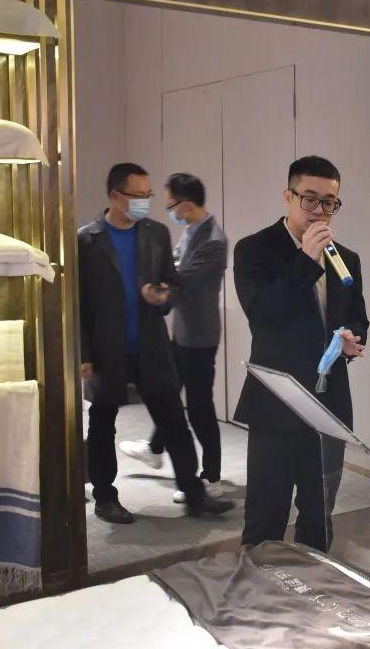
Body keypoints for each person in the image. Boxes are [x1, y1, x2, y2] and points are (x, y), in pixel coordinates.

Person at [78, 162, 234, 524]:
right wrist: (83, 354)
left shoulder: (156, 234)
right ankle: (105, 497)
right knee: (102, 424)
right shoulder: (87, 240)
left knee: (174, 421)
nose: (145, 202)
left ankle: (195, 495)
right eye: (138, 195)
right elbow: (79, 303)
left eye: (148, 195)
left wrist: (163, 296)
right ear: (115, 196)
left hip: (151, 345)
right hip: (106, 349)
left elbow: (172, 282)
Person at [233, 155, 369, 553]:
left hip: (328, 406)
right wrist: (306, 260)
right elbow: (262, 314)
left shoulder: (346, 258)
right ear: (288, 196)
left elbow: (357, 317)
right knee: (266, 516)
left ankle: (315, 583)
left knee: (319, 516)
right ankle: (257, 586)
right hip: (276, 402)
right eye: (309, 199)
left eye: (329, 202)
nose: (319, 210)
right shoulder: (254, 250)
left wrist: (351, 339)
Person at [119, 173, 229, 502]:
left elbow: (182, 279)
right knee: (167, 392)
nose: (167, 211)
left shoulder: (213, 241)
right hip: (182, 331)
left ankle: (212, 476)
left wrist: (154, 288)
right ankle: (155, 449)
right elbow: (175, 267)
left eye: (169, 206)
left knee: (199, 407)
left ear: (186, 204)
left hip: (200, 335)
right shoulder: (191, 230)